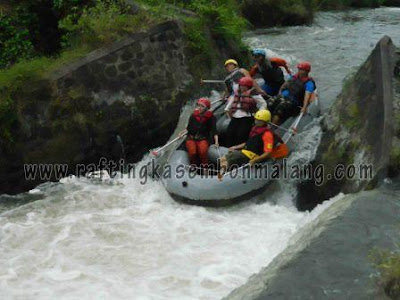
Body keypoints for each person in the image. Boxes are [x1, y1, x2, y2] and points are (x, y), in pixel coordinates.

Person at [218, 109, 288, 179]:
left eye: (259, 120)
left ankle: (220, 177)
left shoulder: (267, 134)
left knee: (225, 160)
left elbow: (268, 152)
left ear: (264, 122)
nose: (256, 121)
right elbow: (248, 143)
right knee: (222, 159)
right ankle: (225, 174)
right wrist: (235, 147)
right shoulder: (255, 129)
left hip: (252, 155)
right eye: (256, 119)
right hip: (245, 152)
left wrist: (256, 160)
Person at [267, 61, 316, 125]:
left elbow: (307, 95)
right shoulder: (293, 77)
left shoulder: (309, 83)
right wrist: (279, 94)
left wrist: (304, 107)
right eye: (299, 69)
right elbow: (283, 86)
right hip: (283, 97)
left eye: (302, 70)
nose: (300, 71)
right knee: (270, 102)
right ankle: (264, 120)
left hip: (294, 102)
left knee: (280, 108)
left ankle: (272, 127)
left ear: (307, 71)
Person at [224, 76, 267, 147]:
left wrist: (260, 113)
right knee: (229, 132)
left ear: (248, 86)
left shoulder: (253, 94)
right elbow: (231, 102)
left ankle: (240, 149)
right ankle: (229, 148)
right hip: (235, 117)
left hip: (247, 117)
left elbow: (263, 103)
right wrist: (227, 109)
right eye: (241, 85)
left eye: (244, 86)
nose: (242, 87)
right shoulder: (237, 93)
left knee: (241, 135)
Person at [182, 98, 218, 169]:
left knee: (203, 152)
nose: (199, 108)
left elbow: (214, 130)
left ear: (206, 108)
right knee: (192, 152)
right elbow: (188, 128)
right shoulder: (193, 115)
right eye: (199, 105)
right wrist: (182, 132)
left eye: (202, 106)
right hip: (191, 138)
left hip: (202, 138)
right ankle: (193, 166)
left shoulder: (211, 117)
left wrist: (216, 142)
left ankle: (205, 168)